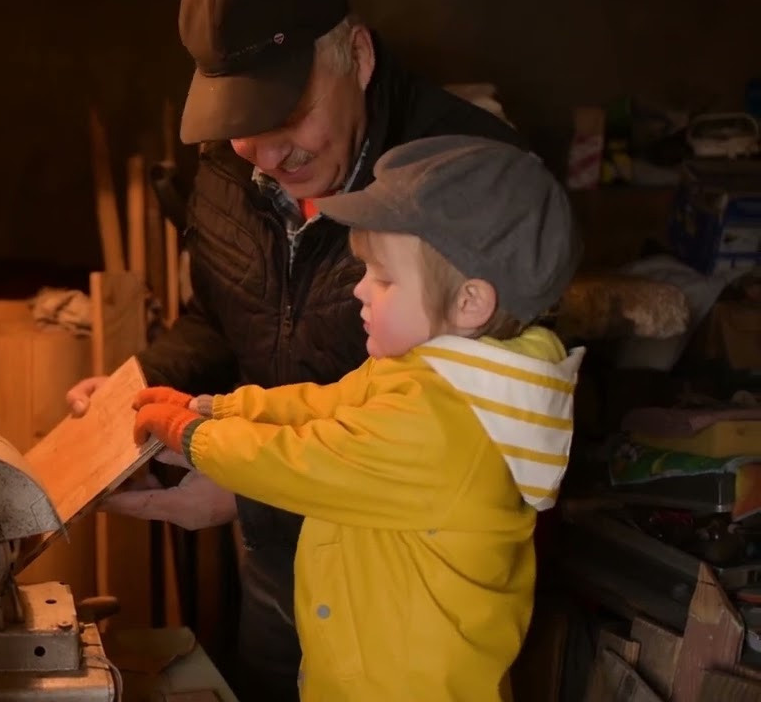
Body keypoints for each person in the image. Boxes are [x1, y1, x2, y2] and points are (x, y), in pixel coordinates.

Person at [65, 0, 524, 697]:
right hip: (280, 569)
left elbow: (473, 435)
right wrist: (141, 389)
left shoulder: (469, 179)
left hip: (409, 590)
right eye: (239, 119)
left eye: (286, 113)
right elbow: (222, 318)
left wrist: (247, 494)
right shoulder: (228, 166)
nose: (267, 153)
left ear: (357, 57)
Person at [130, 136, 585, 701]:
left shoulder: (448, 423)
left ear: (470, 303)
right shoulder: (427, 374)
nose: (360, 289)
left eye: (385, 279)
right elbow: (323, 404)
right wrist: (212, 407)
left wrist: (192, 436)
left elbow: (303, 461)